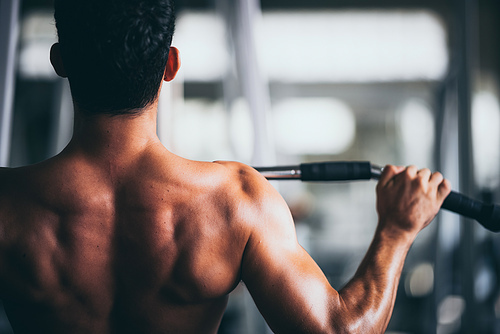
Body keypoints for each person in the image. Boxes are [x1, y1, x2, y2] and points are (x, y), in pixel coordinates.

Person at [0, 0, 451, 333]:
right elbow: (340, 329)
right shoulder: (236, 201)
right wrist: (396, 229)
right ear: (170, 65)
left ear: (59, 61)